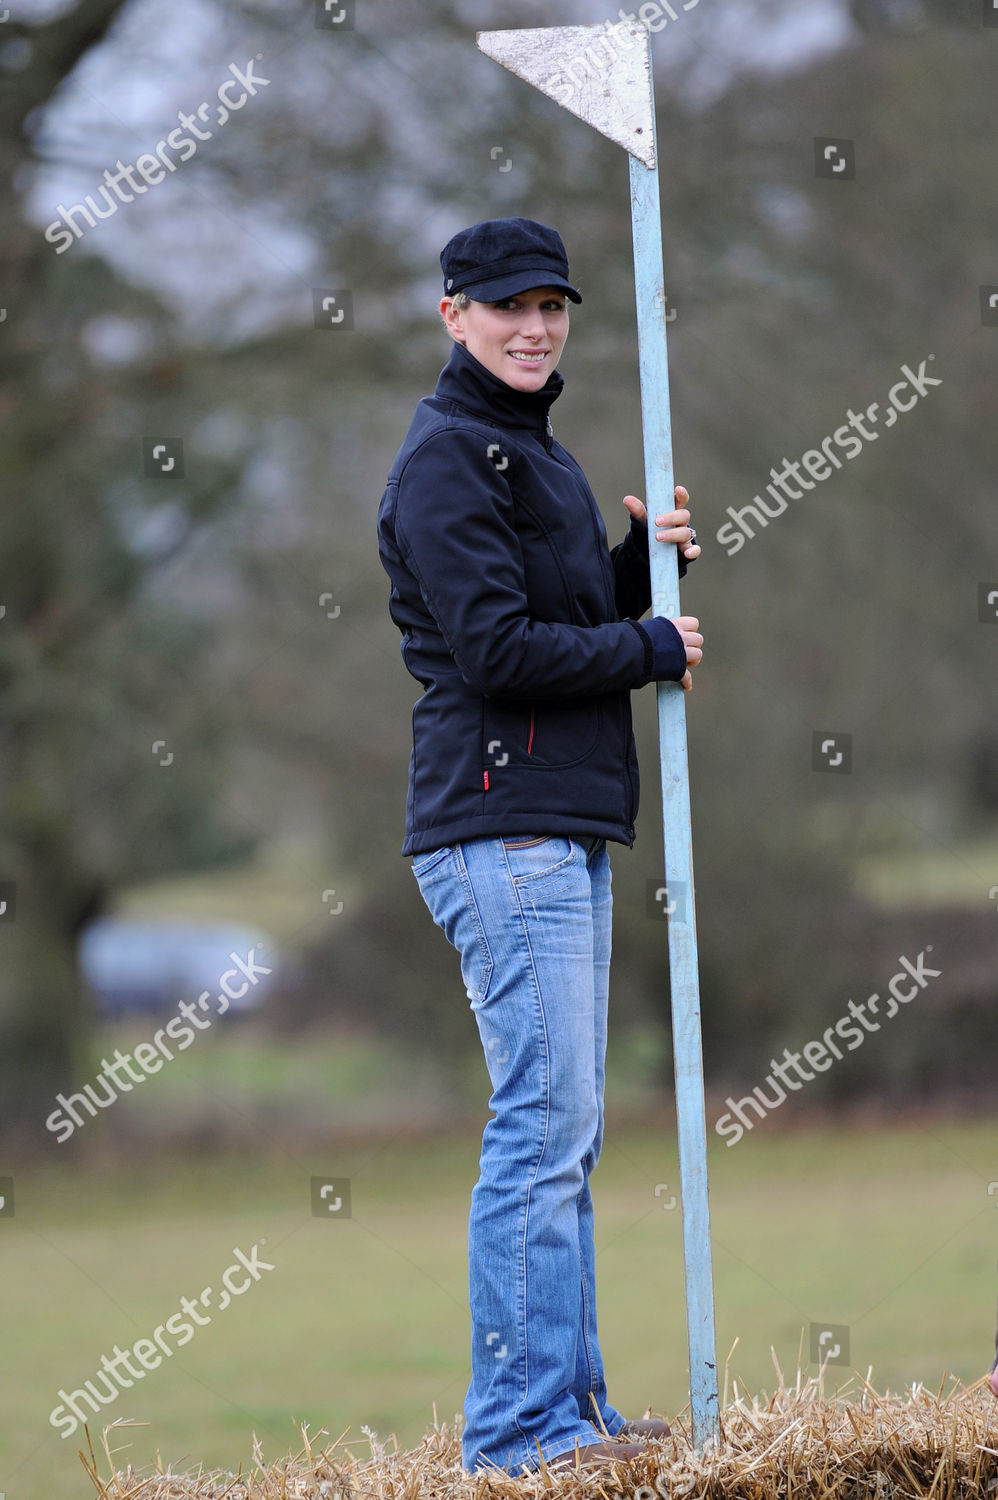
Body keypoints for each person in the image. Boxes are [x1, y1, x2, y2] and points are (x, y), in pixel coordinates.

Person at [376, 216, 704, 1476]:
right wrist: (650, 649)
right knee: (539, 1130)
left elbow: (553, 618)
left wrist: (638, 580)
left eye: (551, 306)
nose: (533, 327)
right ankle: (521, 1436)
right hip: (497, 823)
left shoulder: (528, 452)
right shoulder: (452, 459)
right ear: (450, 313)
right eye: (505, 306)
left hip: (554, 819)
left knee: (563, 1131)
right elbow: (497, 655)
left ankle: (576, 1415)